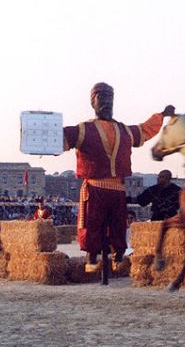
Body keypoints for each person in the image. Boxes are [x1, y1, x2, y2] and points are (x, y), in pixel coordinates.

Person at [62, 82, 174, 273]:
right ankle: (92, 256)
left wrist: (162, 115)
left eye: (110, 98)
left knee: (118, 226)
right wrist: (38, 137)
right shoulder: (83, 129)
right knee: (92, 223)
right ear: (93, 102)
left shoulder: (125, 130)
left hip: (118, 189)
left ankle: (118, 255)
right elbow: (58, 139)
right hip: (95, 187)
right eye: (102, 98)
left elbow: (145, 130)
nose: (107, 102)